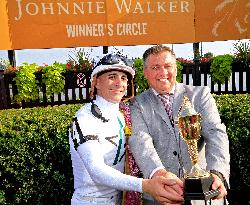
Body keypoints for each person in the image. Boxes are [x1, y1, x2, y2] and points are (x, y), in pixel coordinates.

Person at [69, 53, 184, 205]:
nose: (119, 83)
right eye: (112, 76)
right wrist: (146, 186)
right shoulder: (84, 118)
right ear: (96, 82)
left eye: (123, 78)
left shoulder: (125, 114)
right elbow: (96, 170)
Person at [129, 45, 230, 205]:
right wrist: (160, 175)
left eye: (168, 66)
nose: (163, 73)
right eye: (155, 67)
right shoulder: (136, 104)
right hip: (163, 196)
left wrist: (218, 173)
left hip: (206, 195)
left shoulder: (200, 94)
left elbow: (216, 134)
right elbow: (140, 141)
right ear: (146, 72)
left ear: (176, 68)